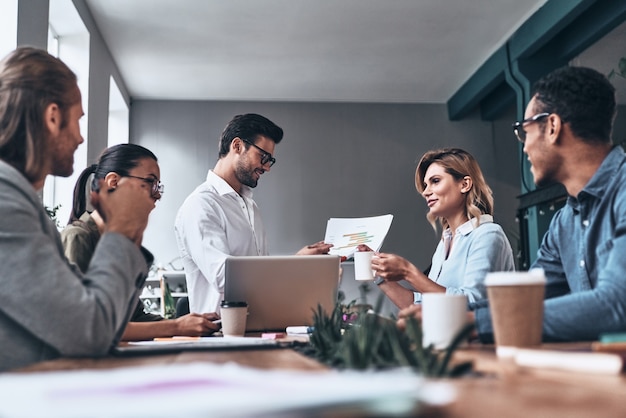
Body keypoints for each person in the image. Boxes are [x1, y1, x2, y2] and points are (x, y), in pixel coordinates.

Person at [401, 66, 625, 343]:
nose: (525, 147)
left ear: (552, 127)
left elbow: (617, 304)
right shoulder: (564, 223)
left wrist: (469, 322)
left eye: (524, 131)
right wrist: (448, 315)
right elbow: (525, 298)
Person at [0, 47, 154, 371]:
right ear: (53, 116)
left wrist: (128, 231)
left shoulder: (22, 205)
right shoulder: (6, 204)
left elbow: (102, 320)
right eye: (78, 120)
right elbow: (90, 333)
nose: (82, 138)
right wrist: (122, 231)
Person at [175, 113, 332, 314]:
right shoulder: (201, 205)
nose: (267, 167)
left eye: (270, 160)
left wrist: (299, 263)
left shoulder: (250, 206)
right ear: (238, 146)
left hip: (258, 327)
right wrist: (295, 263)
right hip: (220, 336)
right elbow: (226, 280)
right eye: (263, 157)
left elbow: (262, 277)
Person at [62, 144, 220, 340]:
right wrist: (176, 326)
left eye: (158, 186)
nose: (157, 195)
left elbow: (135, 318)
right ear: (113, 182)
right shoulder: (77, 238)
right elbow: (86, 327)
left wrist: (192, 324)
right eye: (150, 182)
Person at [360, 148, 515, 309]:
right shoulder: (445, 242)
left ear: (465, 184)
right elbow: (424, 305)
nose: (426, 192)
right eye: (426, 185)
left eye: (435, 181)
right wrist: (378, 273)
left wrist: (408, 272)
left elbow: (472, 305)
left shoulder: (488, 234)